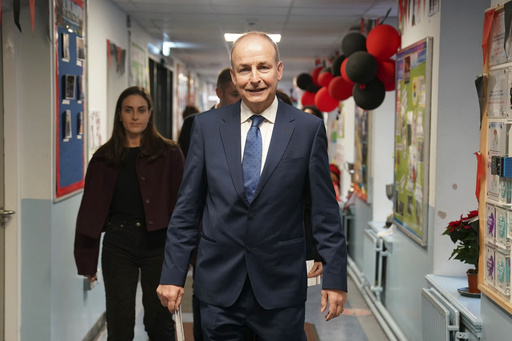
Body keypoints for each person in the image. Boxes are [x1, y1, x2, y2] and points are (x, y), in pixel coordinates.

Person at [157, 31, 347, 340]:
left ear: (279, 70)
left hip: (280, 286)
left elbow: (325, 211)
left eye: (263, 67)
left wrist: (335, 278)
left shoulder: (307, 129)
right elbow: (187, 207)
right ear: (233, 76)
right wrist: (172, 275)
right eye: (244, 69)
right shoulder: (205, 128)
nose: (254, 78)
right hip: (219, 285)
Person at [74, 86, 184, 340]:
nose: (135, 116)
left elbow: (184, 206)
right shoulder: (104, 157)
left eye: (141, 110)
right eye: (128, 110)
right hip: (118, 243)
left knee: (158, 322)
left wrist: (189, 254)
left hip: (158, 244)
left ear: (149, 114)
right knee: (119, 322)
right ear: (120, 115)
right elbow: (89, 211)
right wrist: (86, 259)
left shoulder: (169, 153)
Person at [178, 68, 240, 157]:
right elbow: (183, 163)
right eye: (235, 94)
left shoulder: (250, 124)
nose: (241, 100)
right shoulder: (192, 123)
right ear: (219, 93)